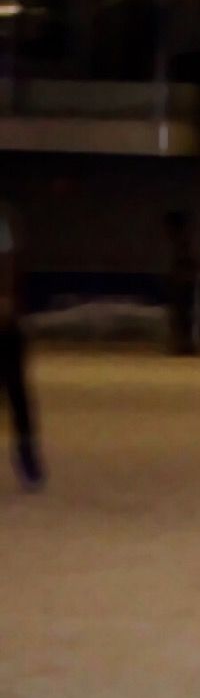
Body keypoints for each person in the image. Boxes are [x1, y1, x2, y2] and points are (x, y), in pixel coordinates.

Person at [0, 200, 44, 490]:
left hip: (5, 323)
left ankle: (27, 455)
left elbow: (8, 260)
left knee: (16, 390)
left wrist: (6, 298)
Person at [164, 210, 199, 356]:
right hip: (183, 280)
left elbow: (185, 262)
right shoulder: (182, 243)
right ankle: (182, 343)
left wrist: (182, 277)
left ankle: (183, 344)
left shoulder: (182, 243)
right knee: (182, 314)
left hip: (183, 281)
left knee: (183, 314)